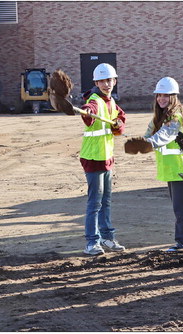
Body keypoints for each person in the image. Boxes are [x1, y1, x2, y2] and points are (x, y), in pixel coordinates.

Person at [142, 77, 183, 253]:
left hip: (182, 167)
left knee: (181, 206)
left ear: (173, 96)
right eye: (159, 95)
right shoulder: (160, 116)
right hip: (174, 167)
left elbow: (165, 135)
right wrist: (141, 141)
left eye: (166, 96)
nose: (161, 98)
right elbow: (149, 134)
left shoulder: (176, 116)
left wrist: (148, 143)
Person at [79, 63, 127, 256]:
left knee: (106, 201)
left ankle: (107, 237)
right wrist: (88, 112)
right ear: (96, 82)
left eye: (110, 80)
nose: (107, 84)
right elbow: (88, 111)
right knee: (95, 203)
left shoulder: (111, 102)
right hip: (92, 159)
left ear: (114, 81)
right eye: (103, 81)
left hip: (106, 158)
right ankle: (92, 242)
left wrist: (118, 124)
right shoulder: (94, 100)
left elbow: (121, 119)